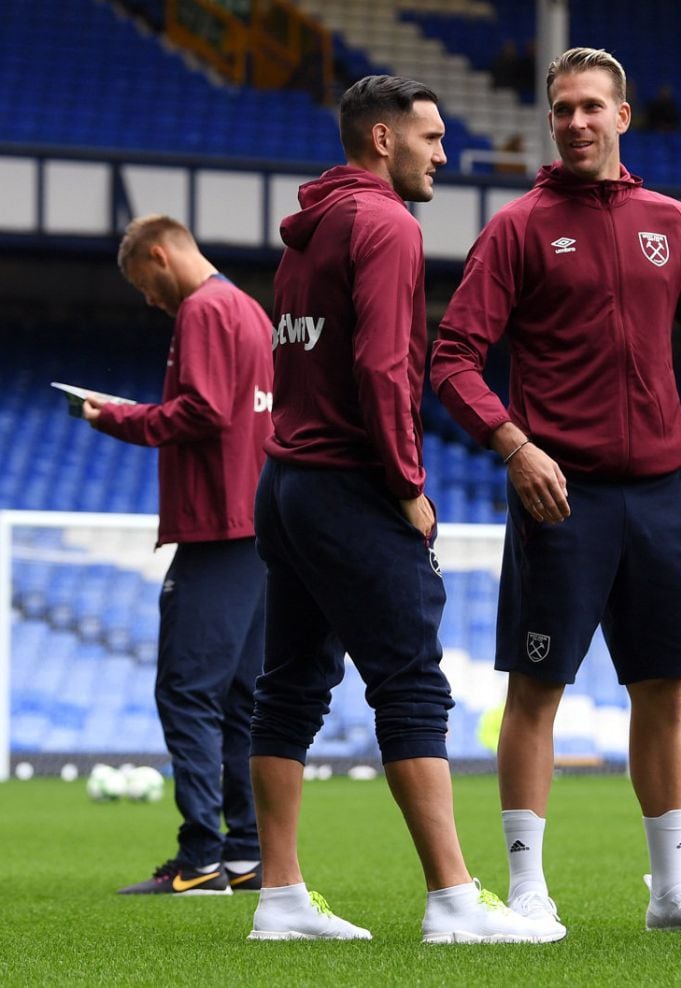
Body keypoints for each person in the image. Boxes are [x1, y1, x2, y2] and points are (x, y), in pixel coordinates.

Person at [431, 47, 681, 937]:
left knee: (665, 690)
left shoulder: (674, 224)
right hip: (557, 496)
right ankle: (530, 889)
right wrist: (515, 446)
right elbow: (451, 359)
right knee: (537, 691)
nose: (574, 122)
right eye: (561, 109)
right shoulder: (520, 227)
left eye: (590, 107)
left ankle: (670, 893)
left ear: (622, 117)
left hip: (661, 496)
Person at [246, 75, 559, 944]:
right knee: (412, 683)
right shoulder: (384, 224)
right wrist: (406, 485)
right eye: (431, 137)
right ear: (383, 140)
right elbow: (387, 370)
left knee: (291, 687)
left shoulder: (304, 235)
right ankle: (455, 900)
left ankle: (279, 899)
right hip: (351, 484)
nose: (443, 153)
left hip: (288, 485)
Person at [83, 215, 274, 897]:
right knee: (238, 700)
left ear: (160, 256)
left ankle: (201, 859)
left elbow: (202, 412)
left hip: (217, 527)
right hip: (258, 526)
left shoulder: (202, 309)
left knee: (187, 692)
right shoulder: (250, 310)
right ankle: (249, 853)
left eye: (144, 284)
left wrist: (117, 418)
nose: (149, 299)